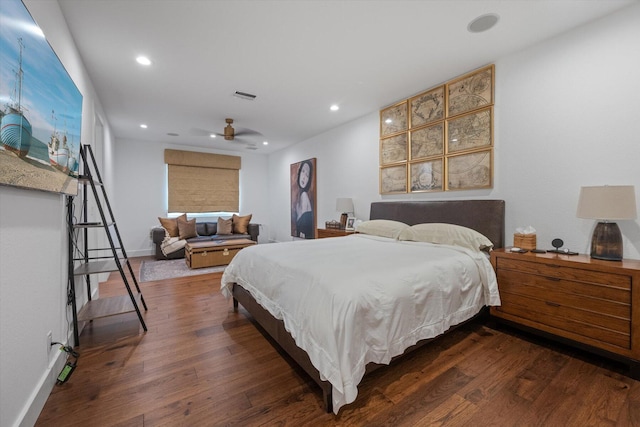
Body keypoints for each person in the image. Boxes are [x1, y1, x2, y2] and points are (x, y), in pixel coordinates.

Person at [293, 160, 314, 238]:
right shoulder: (299, 196)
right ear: (299, 172)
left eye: (307, 175)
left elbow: (303, 228)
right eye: (303, 171)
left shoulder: (304, 196)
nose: (304, 177)